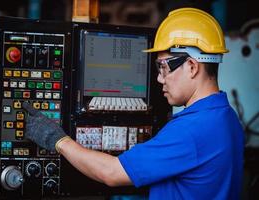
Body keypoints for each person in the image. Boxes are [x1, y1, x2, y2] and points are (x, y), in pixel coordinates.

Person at [23, 7, 244, 200]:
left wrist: (57, 139)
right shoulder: (226, 117)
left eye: (163, 68)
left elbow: (111, 173)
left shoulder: (192, 129)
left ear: (192, 66)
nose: (159, 78)